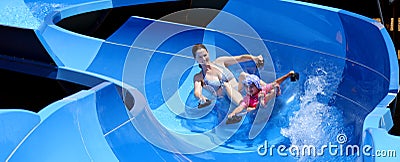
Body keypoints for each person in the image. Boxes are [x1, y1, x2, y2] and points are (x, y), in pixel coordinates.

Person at [192, 43, 264, 107]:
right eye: (200, 57)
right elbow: (197, 92)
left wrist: (255, 58)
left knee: (243, 75)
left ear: (208, 53)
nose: (204, 59)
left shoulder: (220, 61)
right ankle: (246, 106)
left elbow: (240, 58)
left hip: (238, 89)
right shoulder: (199, 77)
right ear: (196, 59)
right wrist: (201, 97)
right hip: (227, 99)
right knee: (226, 86)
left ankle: (267, 88)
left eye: (205, 55)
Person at [227, 71, 295, 124]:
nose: (248, 89)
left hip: (263, 106)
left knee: (270, 89)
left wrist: (288, 75)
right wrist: (233, 113)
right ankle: (262, 101)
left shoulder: (263, 89)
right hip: (254, 114)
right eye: (247, 87)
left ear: (257, 86)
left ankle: (273, 93)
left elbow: (276, 82)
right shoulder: (248, 98)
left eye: (251, 87)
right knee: (249, 109)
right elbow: (240, 107)